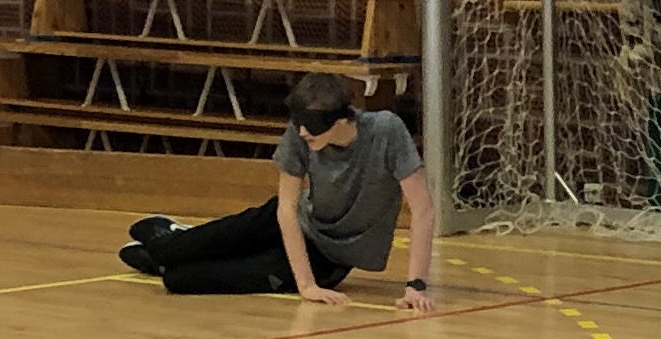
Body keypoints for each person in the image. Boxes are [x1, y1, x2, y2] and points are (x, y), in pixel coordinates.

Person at [120, 72, 434, 303]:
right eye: (297, 124)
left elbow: (422, 209)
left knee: (180, 280)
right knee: (173, 251)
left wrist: (415, 285)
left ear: (338, 120)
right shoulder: (301, 131)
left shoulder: (386, 131)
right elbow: (286, 207)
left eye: (309, 126)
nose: (300, 132)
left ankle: (165, 258)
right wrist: (304, 284)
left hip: (328, 257)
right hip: (288, 223)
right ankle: (169, 242)